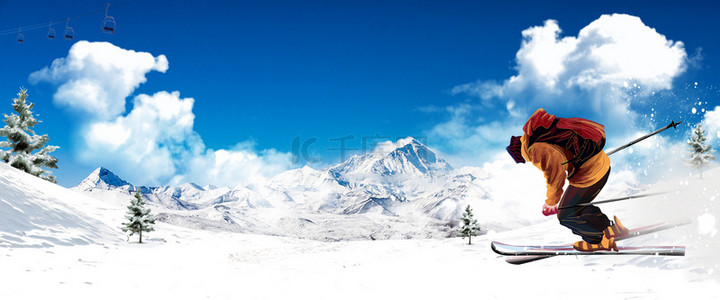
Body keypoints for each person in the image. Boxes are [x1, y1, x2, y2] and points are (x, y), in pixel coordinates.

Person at [506, 108, 629, 252]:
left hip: (589, 174)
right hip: (601, 164)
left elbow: (555, 175)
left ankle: (597, 241)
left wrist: (551, 202)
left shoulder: (536, 149)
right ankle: (610, 229)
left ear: (520, 154)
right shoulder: (539, 133)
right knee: (576, 205)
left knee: (565, 215)